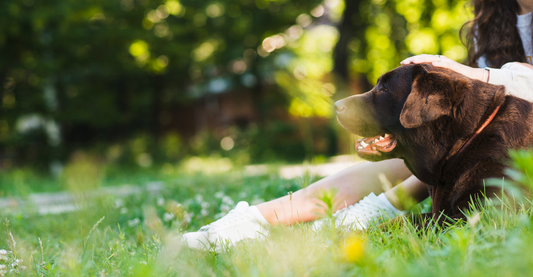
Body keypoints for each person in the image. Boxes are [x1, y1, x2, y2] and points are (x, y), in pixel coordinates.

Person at [182, 0, 533, 252]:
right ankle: (253, 220)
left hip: (520, 142)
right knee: (417, 145)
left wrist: (469, 73)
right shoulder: (491, 18)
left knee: (435, 152)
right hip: (489, 138)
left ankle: (359, 218)